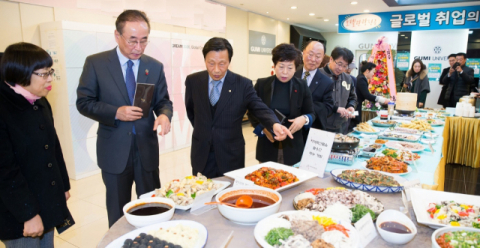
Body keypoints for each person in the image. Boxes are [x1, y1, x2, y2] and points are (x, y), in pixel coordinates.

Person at [76, 10, 173, 227]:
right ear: (117, 36)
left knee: (152, 206)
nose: (138, 47)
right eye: (132, 41)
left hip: (146, 149)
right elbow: (84, 102)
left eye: (144, 41)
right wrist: (115, 112)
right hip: (114, 151)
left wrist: (165, 115)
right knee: (118, 212)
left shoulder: (154, 66)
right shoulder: (96, 64)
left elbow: (163, 101)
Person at [185, 38, 292, 178]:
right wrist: (204, 130)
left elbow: (259, 107)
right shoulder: (193, 81)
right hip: (201, 154)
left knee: (230, 197)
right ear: (205, 60)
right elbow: (191, 111)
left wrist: (274, 123)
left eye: (222, 64)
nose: (216, 69)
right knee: (201, 194)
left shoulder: (242, 84)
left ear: (229, 61)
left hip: (230, 156)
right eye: (211, 63)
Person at [0, 42, 74, 246]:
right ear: (20, 74)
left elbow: (52, 146)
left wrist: (62, 185)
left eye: (51, 72)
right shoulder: (4, 108)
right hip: (17, 210)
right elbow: (5, 171)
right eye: (43, 74)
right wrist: (29, 214)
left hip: (44, 196)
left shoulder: (39, 99)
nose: (50, 79)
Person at [248, 43, 314, 165]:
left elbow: (311, 113)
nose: (285, 72)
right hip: (267, 144)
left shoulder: (302, 86)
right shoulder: (262, 84)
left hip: (293, 146)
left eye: (290, 68)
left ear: (296, 68)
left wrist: (304, 119)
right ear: (274, 65)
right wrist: (263, 129)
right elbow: (252, 112)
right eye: (281, 66)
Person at [294, 41, 334, 139]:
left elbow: (328, 107)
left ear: (322, 58)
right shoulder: (292, 74)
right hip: (291, 130)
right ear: (303, 53)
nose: (313, 59)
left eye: (318, 56)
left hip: (313, 132)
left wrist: (306, 115)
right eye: (310, 54)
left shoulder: (327, 82)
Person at [319, 47, 357, 133]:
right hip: (321, 125)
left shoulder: (348, 78)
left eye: (345, 66)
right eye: (339, 64)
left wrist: (351, 106)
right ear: (331, 59)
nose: (341, 69)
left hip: (341, 125)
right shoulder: (319, 75)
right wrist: (335, 108)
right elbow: (315, 101)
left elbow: (353, 97)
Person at [350, 61, 390, 130]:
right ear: (367, 71)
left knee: (356, 122)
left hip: (356, 105)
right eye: (373, 71)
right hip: (355, 106)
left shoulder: (362, 78)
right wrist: (382, 100)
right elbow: (367, 95)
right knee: (355, 123)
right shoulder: (361, 79)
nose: (373, 74)